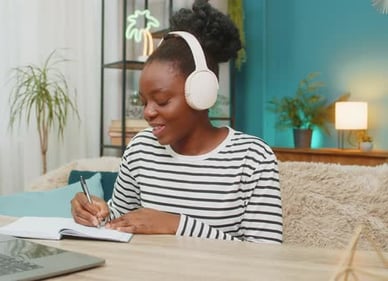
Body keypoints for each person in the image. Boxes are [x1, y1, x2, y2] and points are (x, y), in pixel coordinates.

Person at [71, 0, 282, 244]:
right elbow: (122, 223)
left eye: (161, 100)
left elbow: (267, 256)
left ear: (202, 93)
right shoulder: (141, 148)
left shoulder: (253, 158)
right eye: (144, 102)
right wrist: (94, 214)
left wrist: (176, 224)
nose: (148, 112)